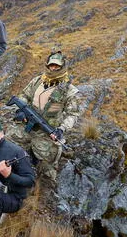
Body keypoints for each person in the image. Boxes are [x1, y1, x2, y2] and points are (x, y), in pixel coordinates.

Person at [6, 51, 80, 180]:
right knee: (7, 143)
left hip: (47, 130)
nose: (53, 68)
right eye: (51, 65)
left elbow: (72, 114)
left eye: (57, 66)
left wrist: (61, 129)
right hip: (26, 124)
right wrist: (21, 111)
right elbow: (24, 96)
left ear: (63, 67)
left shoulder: (69, 90)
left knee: (48, 162)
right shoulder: (37, 81)